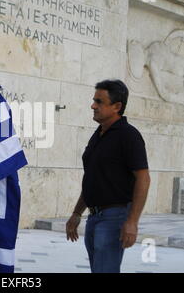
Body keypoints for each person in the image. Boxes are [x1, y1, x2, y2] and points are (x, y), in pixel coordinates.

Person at [66, 79, 151, 273]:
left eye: (99, 101)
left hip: (114, 217)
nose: (92, 105)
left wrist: (132, 221)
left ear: (117, 106)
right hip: (94, 217)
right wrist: (77, 213)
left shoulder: (129, 136)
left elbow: (143, 179)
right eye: (94, 100)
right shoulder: (98, 135)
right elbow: (93, 178)